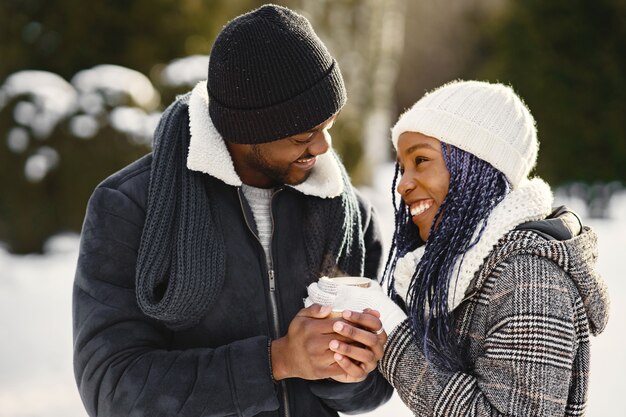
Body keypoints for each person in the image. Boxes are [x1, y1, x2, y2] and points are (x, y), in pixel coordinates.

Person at [72, 4, 393, 417]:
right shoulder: (129, 207)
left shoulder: (348, 216)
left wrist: (349, 371)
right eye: (303, 135)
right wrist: (276, 361)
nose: (323, 148)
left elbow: (378, 384)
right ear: (245, 132)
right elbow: (111, 389)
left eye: (327, 126)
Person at [306, 80, 610, 416]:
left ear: (475, 166)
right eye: (402, 168)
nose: (403, 184)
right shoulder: (467, 271)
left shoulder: (527, 278)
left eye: (421, 160)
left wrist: (391, 331)